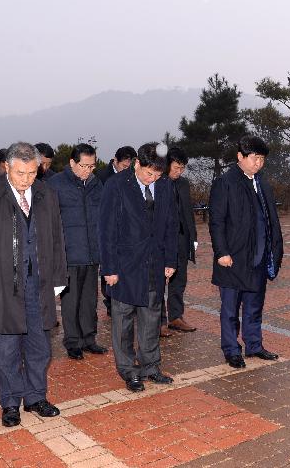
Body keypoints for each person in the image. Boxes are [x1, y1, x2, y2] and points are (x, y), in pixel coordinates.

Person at [0, 142, 67, 427]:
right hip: (3, 286)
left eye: (33, 172)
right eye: (21, 172)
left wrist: (59, 277)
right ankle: (10, 402)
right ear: (7, 167)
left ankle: (35, 397)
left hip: (40, 284)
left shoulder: (47, 194)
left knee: (40, 347)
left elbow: (58, 239)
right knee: (8, 348)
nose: (27, 179)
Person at [98, 143, 177, 392]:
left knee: (152, 317)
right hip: (124, 265)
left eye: (157, 175)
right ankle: (129, 370)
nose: (152, 179)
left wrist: (170, 260)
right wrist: (109, 268)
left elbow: (171, 225)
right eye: (148, 173)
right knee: (123, 319)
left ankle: (151, 366)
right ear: (137, 164)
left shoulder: (165, 186)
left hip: (154, 262)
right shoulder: (116, 185)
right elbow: (106, 229)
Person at [209, 135, 283, 369]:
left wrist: (274, 250)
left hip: (259, 257)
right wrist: (221, 251)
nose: (258, 163)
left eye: (262, 159)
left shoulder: (263, 183)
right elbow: (216, 221)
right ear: (240, 156)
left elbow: (271, 220)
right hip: (232, 257)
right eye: (254, 158)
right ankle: (231, 349)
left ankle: (254, 344)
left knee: (254, 306)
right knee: (230, 308)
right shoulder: (225, 182)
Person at [47, 143, 106, 360]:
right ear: (72, 162)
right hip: (68, 254)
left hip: (92, 253)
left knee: (90, 300)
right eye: (84, 166)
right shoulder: (55, 185)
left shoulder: (96, 184)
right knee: (71, 301)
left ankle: (89, 339)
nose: (88, 170)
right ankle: (73, 342)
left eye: (92, 166)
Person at [96, 145, 137, 315]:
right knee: (110, 265)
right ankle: (110, 302)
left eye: (130, 167)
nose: (127, 170)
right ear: (115, 161)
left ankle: (129, 299)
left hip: (129, 231)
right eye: (124, 167)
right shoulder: (101, 177)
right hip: (110, 227)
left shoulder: (135, 177)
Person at [162, 147, 199, 335]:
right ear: (167, 164)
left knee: (179, 280)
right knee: (159, 281)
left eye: (182, 168)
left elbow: (188, 214)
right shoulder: (158, 182)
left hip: (182, 239)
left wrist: (193, 237)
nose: (179, 172)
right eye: (176, 167)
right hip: (162, 241)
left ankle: (175, 316)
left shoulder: (183, 184)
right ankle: (159, 321)